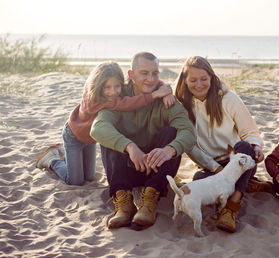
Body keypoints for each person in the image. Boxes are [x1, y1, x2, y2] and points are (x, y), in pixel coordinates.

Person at [90, 52, 196, 229]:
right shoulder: (119, 98)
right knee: (109, 134)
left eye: (155, 73)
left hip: (157, 170)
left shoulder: (166, 100)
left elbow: (189, 132)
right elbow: (98, 128)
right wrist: (130, 147)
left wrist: (168, 150)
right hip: (127, 169)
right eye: (144, 73)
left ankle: (149, 201)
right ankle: (124, 203)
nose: (150, 79)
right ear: (131, 75)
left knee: (171, 132)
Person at [35, 61, 174, 186]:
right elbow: (126, 103)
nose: (112, 92)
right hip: (74, 137)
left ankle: (66, 155)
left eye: (117, 86)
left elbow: (148, 81)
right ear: (98, 85)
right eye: (107, 87)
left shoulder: (113, 92)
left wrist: (165, 90)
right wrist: (155, 95)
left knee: (90, 178)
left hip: (90, 140)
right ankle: (53, 160)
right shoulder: (94, 100)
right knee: (75, 181)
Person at [175, 56, 265, 233]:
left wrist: (257, 147)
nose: (199, 85)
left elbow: (250, 132)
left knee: (245, 148)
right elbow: (190, 146)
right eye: (193, 80)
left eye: (204, 79)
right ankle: (246, 184)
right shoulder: (182, 106)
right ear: (185, 81)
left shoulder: (228, 98)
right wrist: (216, 169)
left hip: (237, 162)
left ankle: (231, 207)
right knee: (198, 180)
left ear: (211, 77)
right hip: (211, 166)